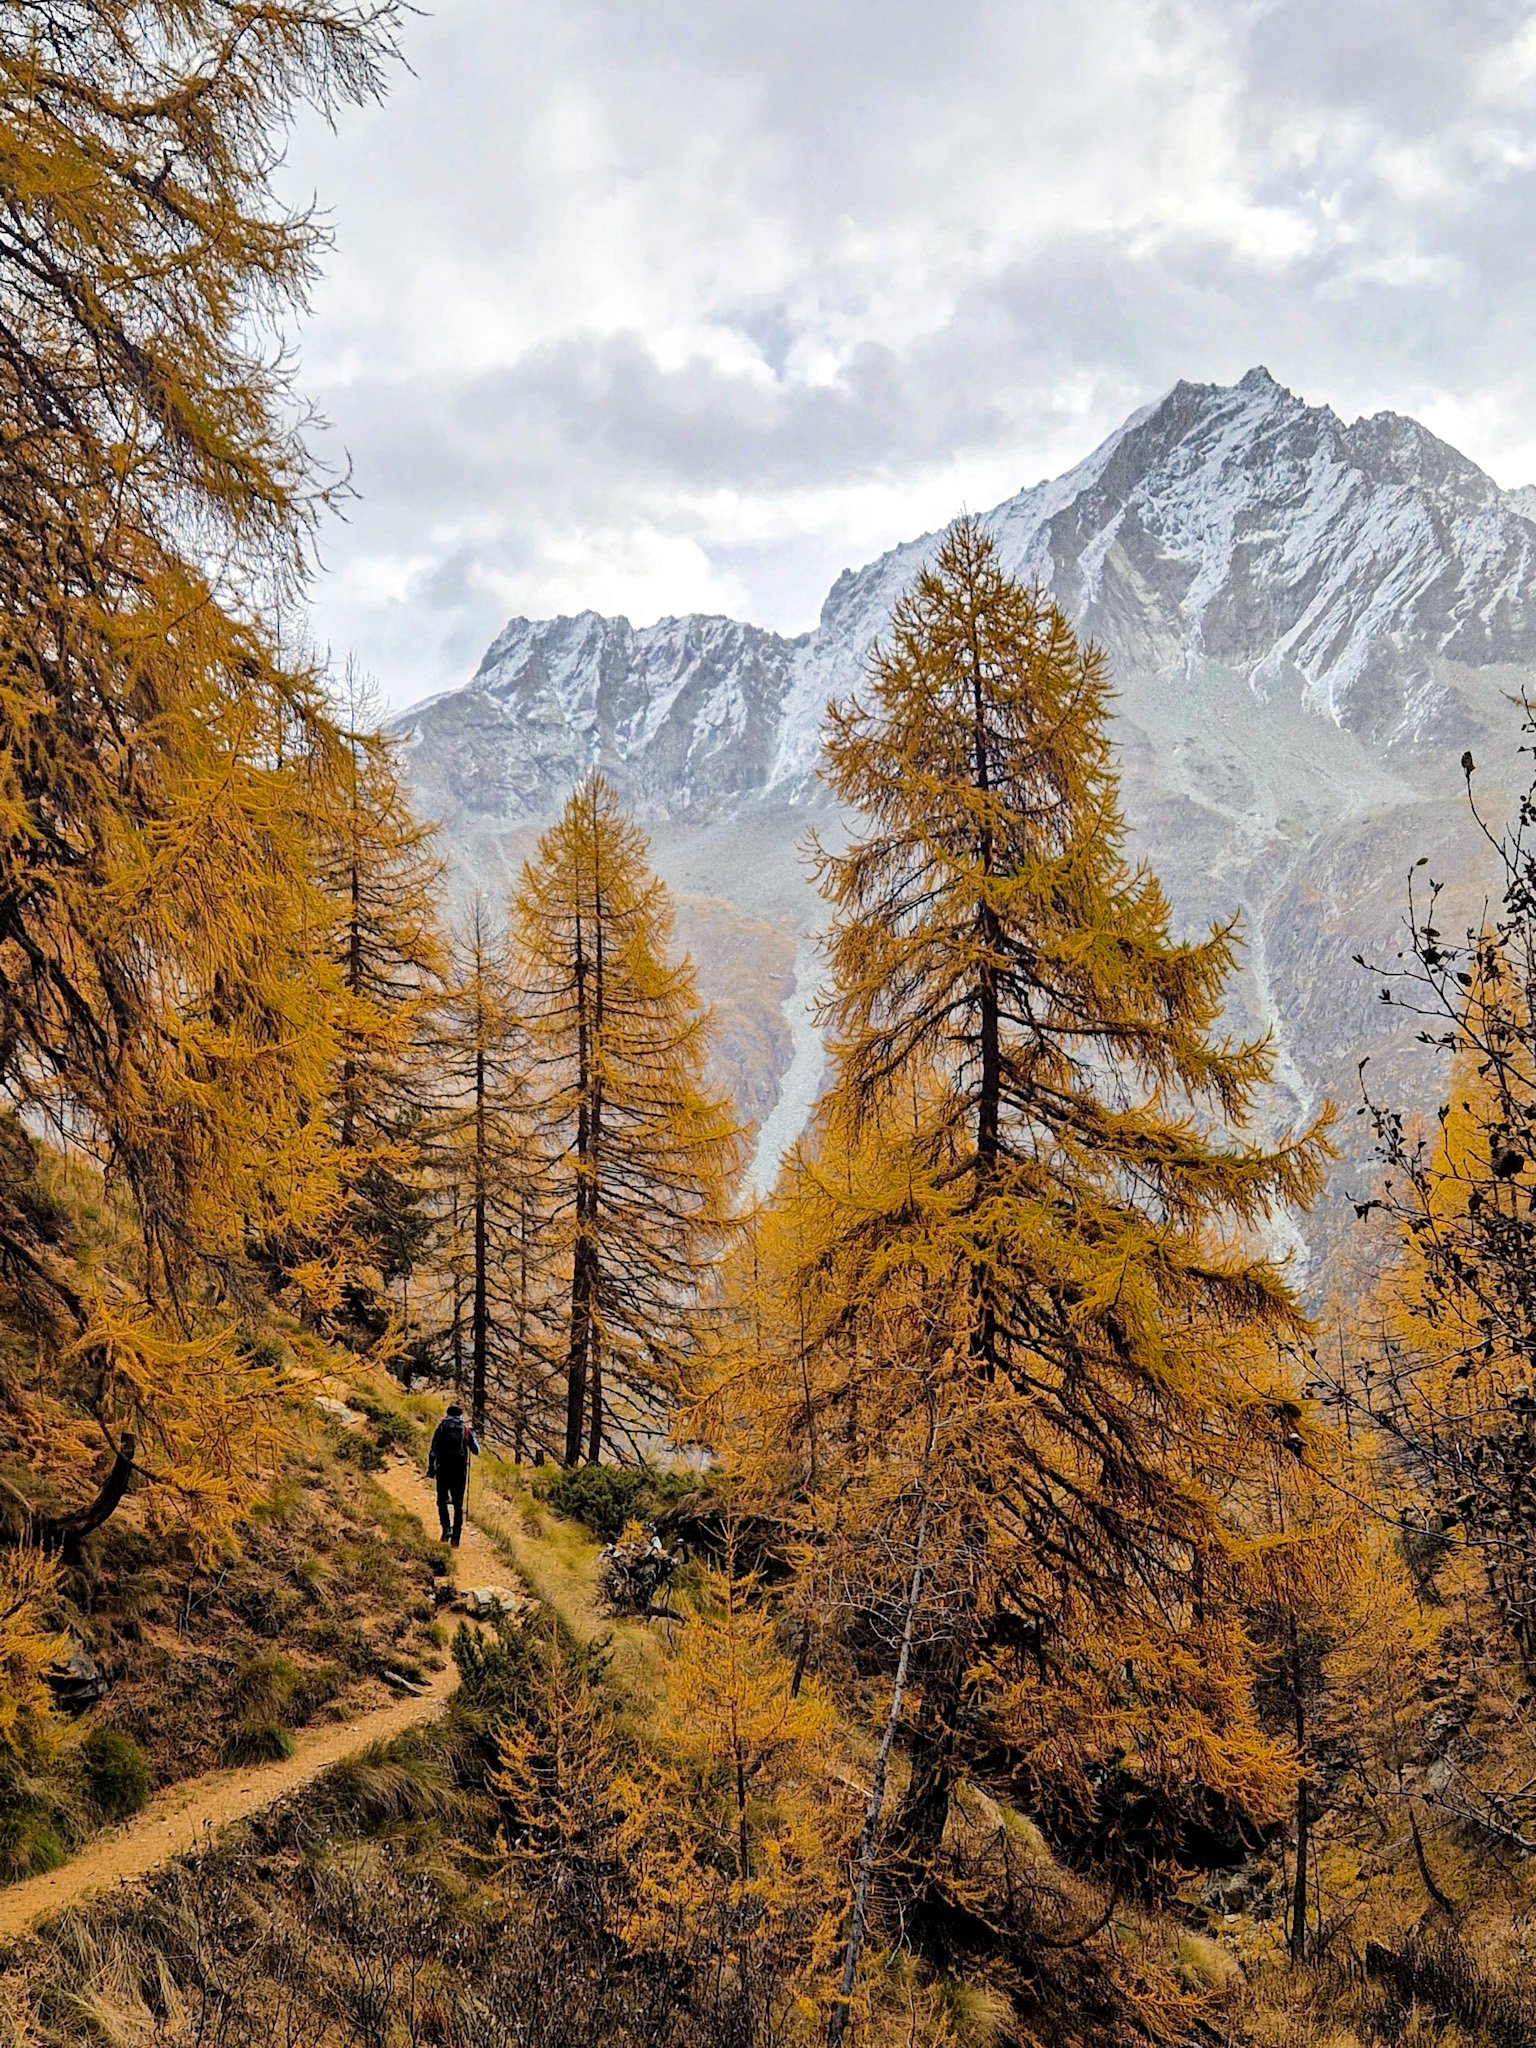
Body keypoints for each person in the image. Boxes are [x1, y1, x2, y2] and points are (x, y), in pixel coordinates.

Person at [426, 1401, 480, 1546]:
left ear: (447, 1414)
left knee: (441, 1501)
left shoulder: (441, 1427)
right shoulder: (465, 1429)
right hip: (459, 1471)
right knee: (458, 1504)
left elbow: (433, 1450)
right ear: (460, 1415)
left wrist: (431, 1469)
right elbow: (476, 1450)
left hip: (443, 1469)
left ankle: (446, 1530)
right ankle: (456, 1538)